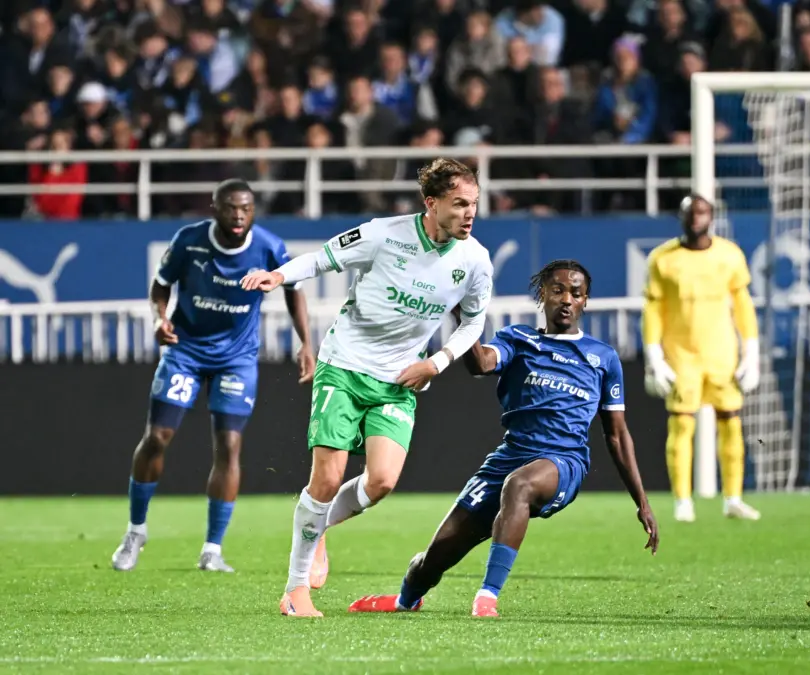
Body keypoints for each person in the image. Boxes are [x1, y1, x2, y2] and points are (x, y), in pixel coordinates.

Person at [241, 158, 494, 618]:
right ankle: (295, 592)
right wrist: (279, 276)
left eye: (474, 204)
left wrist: (435, 363)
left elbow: (473, 322)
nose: (470, 213)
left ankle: (319, 531)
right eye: (459, 204)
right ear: (431, 203)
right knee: (328, 478)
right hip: (344, 365)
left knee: (381, 482)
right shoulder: (384, 233)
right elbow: (322, 259)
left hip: (399, 379)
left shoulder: (474, 260)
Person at [348, 260, 659, 618]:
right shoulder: (519, 339)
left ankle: (487, 596)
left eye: (575, 293)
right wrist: (462, 316)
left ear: (585, 300)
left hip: (563, 462)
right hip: (509, 458)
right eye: (557, 290)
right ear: (542, 294)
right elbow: (480, 364)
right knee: (433, 558)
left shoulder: (602, 358)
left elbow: (617, 435)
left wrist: (642, 501)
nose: (566, 299)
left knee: (521, 485)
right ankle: (405, 600)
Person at [111, 178, 315, 573]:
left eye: (246, 208)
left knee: (229, 446)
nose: (238, 215)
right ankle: (136, 531)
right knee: (157, 438)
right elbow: (161, 285)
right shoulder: (189, 241)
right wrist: (159, 319)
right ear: (215, 208)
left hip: (236, 359)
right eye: (230, 208)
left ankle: (212, 549)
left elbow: (294, 288)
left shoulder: (269, 246)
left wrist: (306, 342)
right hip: (185, 352)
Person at [642, 194, 761, 523]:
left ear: (712, 216)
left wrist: (752, 352)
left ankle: (733, 497)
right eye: (691, 213)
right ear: (681, 217)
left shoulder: (729, 255)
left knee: (731, 423)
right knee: (681, 425)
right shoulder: (662, 259)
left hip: (722, 353)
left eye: (703, 213)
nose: (697, 219)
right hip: (682, 356)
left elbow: (743, 305)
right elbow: (653, 309)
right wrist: (654, 354)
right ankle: (683, 500)